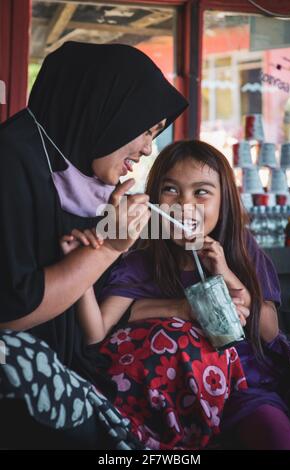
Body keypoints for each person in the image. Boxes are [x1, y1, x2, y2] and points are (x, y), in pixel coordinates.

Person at [0, 41, 188, 448]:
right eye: (145, 129)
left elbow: (88, 327)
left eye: (155, 135)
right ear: (105, 110)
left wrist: (106, 232)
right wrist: (109, 246)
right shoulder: (10, 162)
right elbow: (12, 312)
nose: (147, 148)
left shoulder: (73, 179)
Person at [64, 140, 290, 449]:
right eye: (171, 190)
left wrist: (224, 272)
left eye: (201, 192)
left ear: (224, 201)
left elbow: (270, 329)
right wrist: (78, 270)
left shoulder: (240, 249)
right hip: (172, 404)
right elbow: (97, 333)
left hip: (245, 392)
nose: (184, 205)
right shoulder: (140, 260)